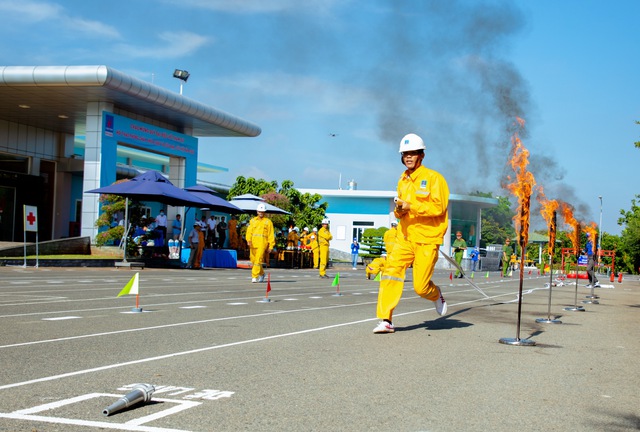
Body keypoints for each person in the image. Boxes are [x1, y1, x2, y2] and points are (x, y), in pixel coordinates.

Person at [374, 133, 449, 334]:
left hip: (427, 239)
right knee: (390, 273)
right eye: (405, 154)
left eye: (412, 153)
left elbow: (439, 208)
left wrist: (411, 206)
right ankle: (385, 319)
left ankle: (436, 295)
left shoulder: (434, 178)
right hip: (404, 237)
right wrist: (400, 210)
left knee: (420, 287)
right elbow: (402, 207)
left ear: (421, 155)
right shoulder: (403, 180)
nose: (408, 157)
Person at [246, 203, 275, 283]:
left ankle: (254, 276)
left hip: (262, 243)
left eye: (262, 211)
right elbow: (249, 232)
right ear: (257, 211)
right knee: (253, 260)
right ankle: (262, 274)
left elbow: (271, 234)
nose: (261, 213)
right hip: (253, 243)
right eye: (260, 211)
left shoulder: (268, 222)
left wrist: (271, 246)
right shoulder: (252, 221)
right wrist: (248, 240)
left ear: (264, 212)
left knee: (258, 260)